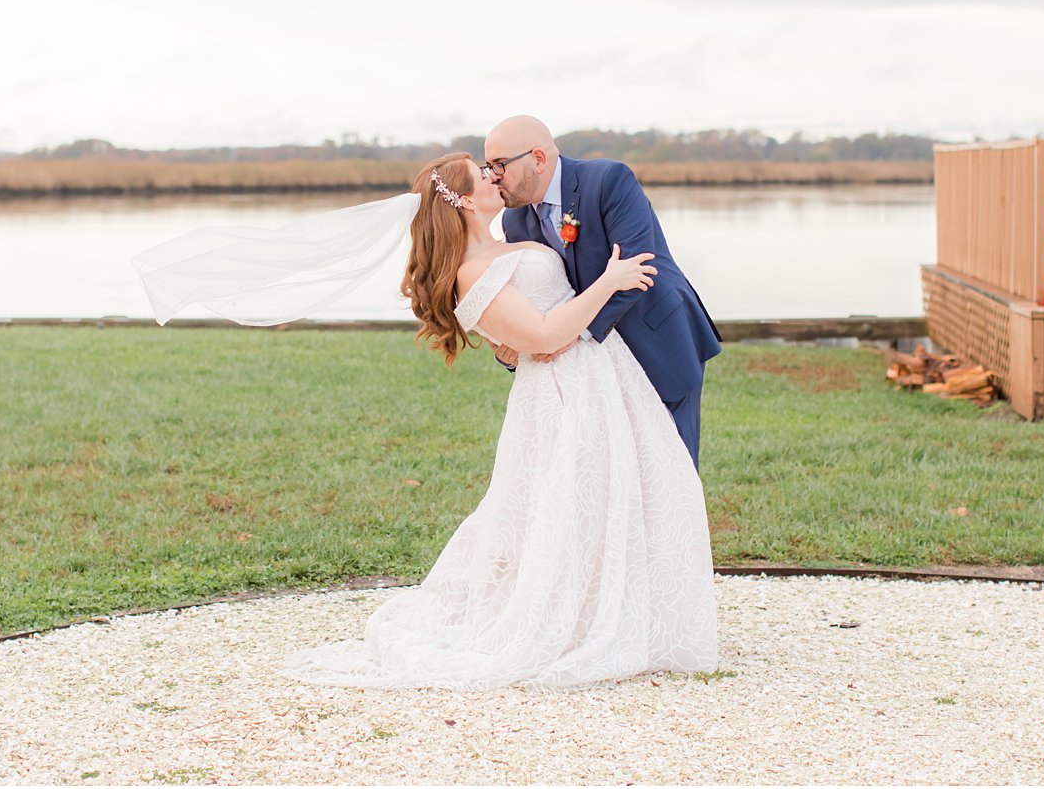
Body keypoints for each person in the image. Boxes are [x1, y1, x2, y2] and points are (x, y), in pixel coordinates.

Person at [279, 153, 718, 689]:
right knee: (565, 503)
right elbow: (542, 338)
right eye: (481, 173)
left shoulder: (513, 233)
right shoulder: (469, 273)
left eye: (493, 166)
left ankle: (634, 614)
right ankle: (576, 622)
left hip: (605, 376)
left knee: (624, 494)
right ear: (461, 198)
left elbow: (529, 330)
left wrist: (531, 336)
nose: (493, 175)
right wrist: (609, 281)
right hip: (563, 392)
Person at [484, 116, 721, 469]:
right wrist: (514, 344)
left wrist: (569, 335)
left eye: (500, 165)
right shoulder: (514, 222)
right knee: (619, 475)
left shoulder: (608, 180)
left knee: (674, 469)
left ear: (538, 158)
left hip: (657, 338)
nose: (492, 177)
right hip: (595, 372)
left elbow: (639, 268)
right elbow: (538, 298)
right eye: (488, 167)